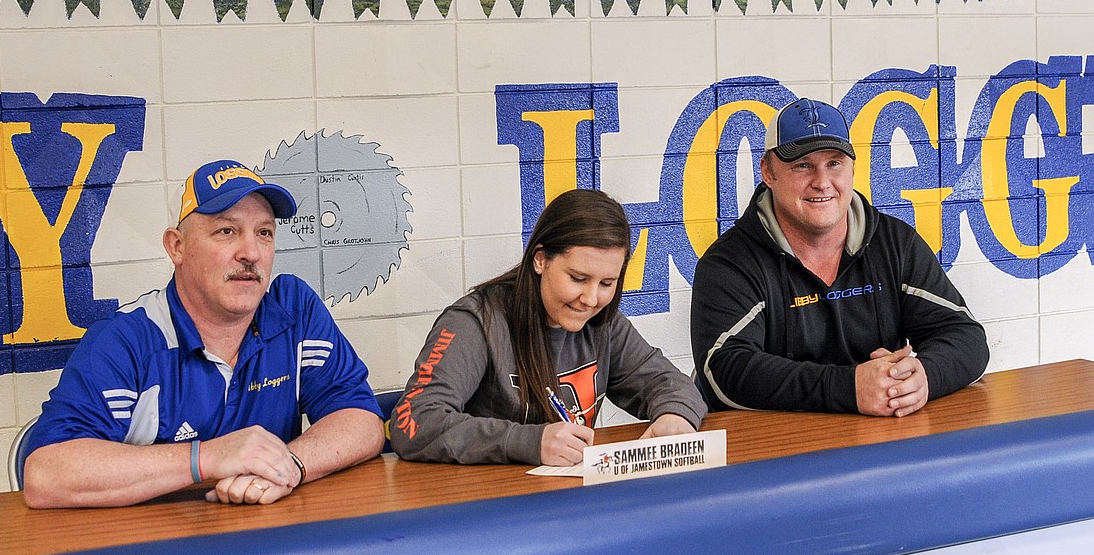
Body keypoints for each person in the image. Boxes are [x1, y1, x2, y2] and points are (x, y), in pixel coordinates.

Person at [22, 159, 384, 508]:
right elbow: (47, 474)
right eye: (226, 231)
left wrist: (286, 466)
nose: (251, 253)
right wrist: (206, 458)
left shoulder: (293, 309)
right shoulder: (128, 339)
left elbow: (362, 420)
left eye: (264, 233)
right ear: (176, 247)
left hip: (263, 543)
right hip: (152, 553)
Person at [691, 97, 989, 417]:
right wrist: (848, 387)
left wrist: (923, 377)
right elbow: (723, 369)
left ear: (851, 170)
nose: (822, 182)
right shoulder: (728, 264)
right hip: (774, 451)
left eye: (834, 163)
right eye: (803, 165)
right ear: (768, 171)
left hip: (877, 444)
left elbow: (967, 337)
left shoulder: (894, 243)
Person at [391, 188, 706, 465]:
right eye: (578, 279)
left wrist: (675, 417)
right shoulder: (475, 322)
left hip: (567, 503)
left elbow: (672, 383)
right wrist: (528, 442)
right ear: (540, 260)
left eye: (607, 283)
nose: (591, 298)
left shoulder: (603, 323)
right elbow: (414, 423)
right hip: (485, 509)